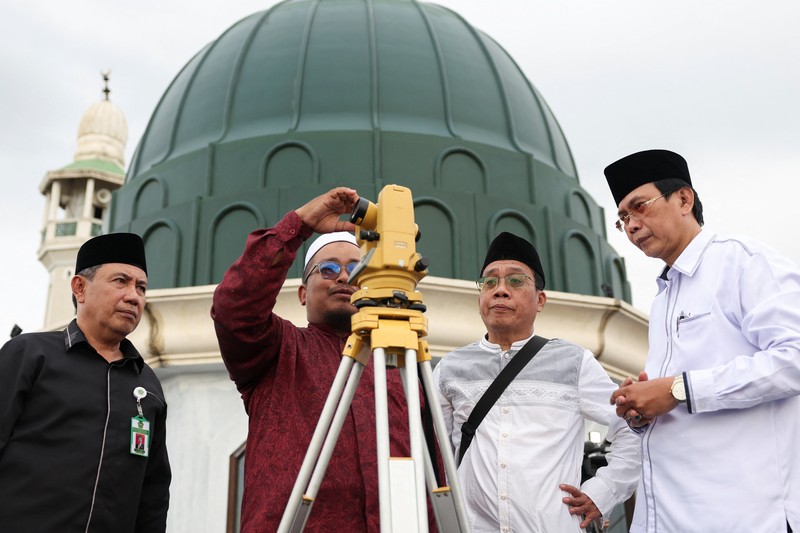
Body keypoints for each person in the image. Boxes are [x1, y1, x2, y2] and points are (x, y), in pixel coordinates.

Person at [211, 186, 437, 532]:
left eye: (356, 267)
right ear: (302, 293)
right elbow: (234, 306)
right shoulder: (277, 349)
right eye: (328, 269)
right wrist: (299, 224)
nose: (345, 277)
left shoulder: (400, 363)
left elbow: (430, 470)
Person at [604, 149, 800, 532]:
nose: (631, 225)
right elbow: (679, 402)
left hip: (745, 518)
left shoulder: (743, 262)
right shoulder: (662, 298)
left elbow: (794, 358)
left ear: (683, 199)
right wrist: (643, 405)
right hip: (672, 518)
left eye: (639, 206)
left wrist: (678, 389)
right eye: (623, 217)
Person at [432, 232, 640, 531]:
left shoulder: (573, 362)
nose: (500, 290)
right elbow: (432, 452)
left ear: (540, 299)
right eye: (490, 281)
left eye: (516, 281)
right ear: (480, 297)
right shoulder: (451, 368)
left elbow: (631, 429)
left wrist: (602, 492)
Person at [0, 233, 171, 532]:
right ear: (80, 287)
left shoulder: (147, 386)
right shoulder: (29, 355)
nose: (134, 296)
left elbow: (153, 494)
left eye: (141, 287)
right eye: (121, 281)